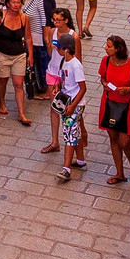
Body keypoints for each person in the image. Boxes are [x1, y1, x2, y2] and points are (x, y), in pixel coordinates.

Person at [97, 33, 130, 183]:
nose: (105, 48)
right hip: (109, 103)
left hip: (127, 106)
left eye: (109, 46)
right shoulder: (105, 61)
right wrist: (104, 83)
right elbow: (103, 77)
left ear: (118, 49)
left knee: (125, 141)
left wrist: (129, 89)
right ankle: (119, 173)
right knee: (113, 137)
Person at [0, 0, 33, 126]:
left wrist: (31, 55)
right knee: (3, 81)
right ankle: (2, 102)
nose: (16, 5)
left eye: (18, 2)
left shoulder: (24, 18)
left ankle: (21, 113)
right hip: (1, 54)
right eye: (13, 2)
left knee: (18, 84)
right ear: (8, 4)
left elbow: (28, 38)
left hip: (19, 55)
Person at [40, 9, 77, 156]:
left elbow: (76, 59)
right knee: (54, 106)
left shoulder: (73, 36)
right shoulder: (52, 32)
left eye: (58, 20)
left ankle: (79, 134)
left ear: (66, 20)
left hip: (66, 75)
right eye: (53, 19)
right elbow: (50, 55)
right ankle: (55, 141)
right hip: (52, 71)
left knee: (71, 108)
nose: (55, 22)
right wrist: (51, 47)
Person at [54, 41, 88, 182]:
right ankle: (80, 160)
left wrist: (73, 106)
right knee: (75, 132)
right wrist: (57, 85)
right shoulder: (64, 61)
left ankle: (66, 169)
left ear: (67, 49)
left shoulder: (75, 65)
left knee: (69, 134)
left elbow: (82, 88)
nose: (57, 49)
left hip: (74, 105)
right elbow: (64, 79)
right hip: (69, 102)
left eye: (59, 47)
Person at [22, 0, 57, 99]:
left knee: (44, 64)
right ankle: (42, 88)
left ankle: (49, 90)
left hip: (40, 38)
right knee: (38, 64)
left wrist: (46, 40)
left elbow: (45, 18)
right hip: (34, 37)